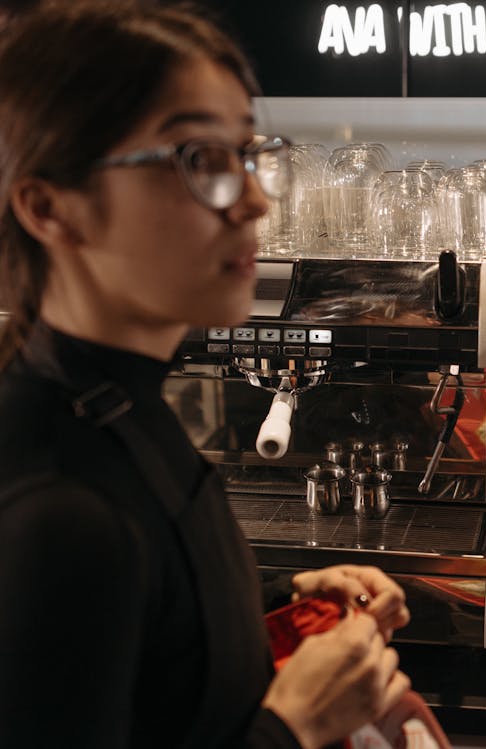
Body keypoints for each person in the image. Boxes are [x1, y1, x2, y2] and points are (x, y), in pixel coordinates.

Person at [0, 1, 411, 747]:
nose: (255, 200)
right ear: (49, 207)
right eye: (197, 158)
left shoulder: (114, 404)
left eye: (247, 154)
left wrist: (276, 602)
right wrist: (294, 724)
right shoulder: (57, 510)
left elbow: (136, 638)